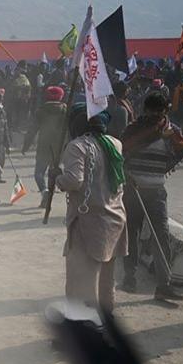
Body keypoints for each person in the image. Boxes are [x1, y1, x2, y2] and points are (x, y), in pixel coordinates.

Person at [120, 91, 183, 303]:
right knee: (132, 233)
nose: (155, 115)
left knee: (161, 237)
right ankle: (130, 277)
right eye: (151, 110)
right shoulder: (133, 129)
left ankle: (164, 285)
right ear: (145, 110)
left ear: (165, 111)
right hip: (133, 190)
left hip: (156, 191)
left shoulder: (172, 132)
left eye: (159, 111)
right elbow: (121, 153)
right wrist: (126, 177)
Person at [54, 107, 127, 313]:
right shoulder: (115, 143)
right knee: (106, 278)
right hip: (115, 218)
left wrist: (57, 178)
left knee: (80, 280)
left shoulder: (77, 146)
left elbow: (74, 181)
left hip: (88, 221)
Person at [30, 86, 67, 203]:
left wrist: (26, 144)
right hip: (59, 146)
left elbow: (33, 129)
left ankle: (44, 191)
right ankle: (49, 196)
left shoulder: (41, 110)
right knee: (53, 172)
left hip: (44, 145)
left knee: (39, 173)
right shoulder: (65, 110)